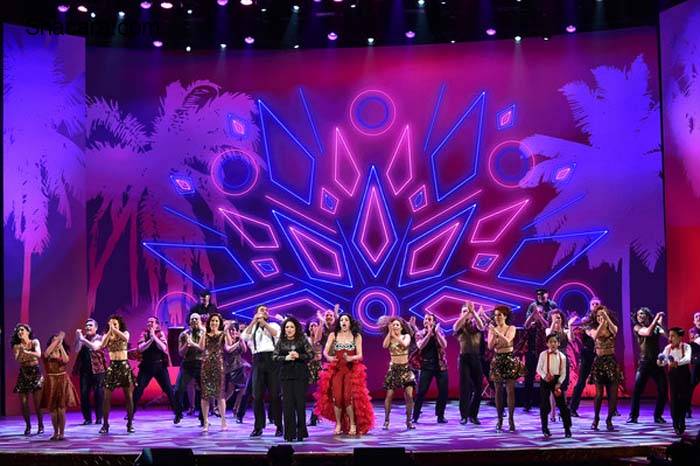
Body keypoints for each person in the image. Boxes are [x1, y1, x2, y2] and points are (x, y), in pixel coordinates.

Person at [314, 313, 374, 435]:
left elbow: (360, 355)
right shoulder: (333, 335)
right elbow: (325, 352)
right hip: (336, 369)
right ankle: (339, 424)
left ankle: (352, 424)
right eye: (341, 320)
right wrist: (329, 358)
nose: (343, 322)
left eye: (346, 320)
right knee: (337, 397)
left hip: (351, 370)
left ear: (350, 322)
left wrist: (351, 358)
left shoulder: (356, 336)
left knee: (348, 397)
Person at [242, 305, 283, 437]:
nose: (264, 312)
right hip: (257, 361)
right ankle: (258, 426)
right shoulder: (252, 328)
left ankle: (279, 425)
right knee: (257, 396)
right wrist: (254, 321)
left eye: (266, 310)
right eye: (261, 310)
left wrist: (264, 323)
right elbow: (244, 337)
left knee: (275, 395)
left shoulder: (274, 325)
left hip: (272, 360)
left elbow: (276, 334)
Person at [273, 316, 313, 442]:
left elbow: (310, 354)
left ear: (296, 328)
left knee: (300, 404)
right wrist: (285, 358)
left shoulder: (302, 339)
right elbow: (274, 357)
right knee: (287, 404)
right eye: (287, 327)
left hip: (300, 375)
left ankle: (301, 432)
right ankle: (289, 433)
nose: (289, 329)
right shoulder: (281, 341)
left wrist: (299, 356)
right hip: (286, 376)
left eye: (291, 327)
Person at [627, 307, 667, 424]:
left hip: (657, 363)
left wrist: (660, 323)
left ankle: (658, 416)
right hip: (644, 363)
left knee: (663, 389)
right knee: (637, 390)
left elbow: (667, 336)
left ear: (648, 315)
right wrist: (656, 319)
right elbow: (648, 332)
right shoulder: (637, 327)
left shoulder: (656, 327)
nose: (639, 316)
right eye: (638, 314)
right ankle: (633, 416)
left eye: (642, 314)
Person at [587, 305, 623, 432]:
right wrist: (602, 323)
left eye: (602, 315)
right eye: (598, 316)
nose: (600, 318)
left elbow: (615, 331)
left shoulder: (613, 327)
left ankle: (609, 420)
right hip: (599, 363)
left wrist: (606, 318)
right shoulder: (591, 329)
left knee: (613, 394)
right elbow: (596, 336)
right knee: (599, 394)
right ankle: (596, 419)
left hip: (611, 362)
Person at [99, 315, 136, 434]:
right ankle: (105, 424)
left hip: (124, 366)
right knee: (106, 397)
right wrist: (110, 331)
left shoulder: (125, 332)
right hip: (113, 366)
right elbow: (102, 345)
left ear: (119, 325)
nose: (113, 326)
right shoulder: (107, 335)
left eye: (115, 324)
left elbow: (125, 339)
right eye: (111, 324)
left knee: (129, 396)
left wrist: (114, 330)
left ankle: (130, 423)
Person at [132, 316, 176, 418]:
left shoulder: (160, 334)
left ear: (157, 324)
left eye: (152, 322)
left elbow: (163, 347)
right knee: (138, 389)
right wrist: (150, 339)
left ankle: (177, 412)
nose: (149, 324)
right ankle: (131, 412)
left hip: (160, 366)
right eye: (148, 322)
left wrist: (154, 337)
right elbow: (141, 348)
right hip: (146, 366)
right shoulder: (144, 334)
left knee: (169, 390)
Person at [488, 305, 522, 432]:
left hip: (509, 358)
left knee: (510, 391)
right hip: (497, 359)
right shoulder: (492, 329)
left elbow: (508, 341)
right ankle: (499, 420)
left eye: (499, 315)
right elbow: (491, 346)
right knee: (498, 391)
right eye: (495, 315)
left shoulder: (511, 328)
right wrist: (494, 335)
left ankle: (511, 420)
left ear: (505, 316)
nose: (497, 318)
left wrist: (497, 334)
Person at [41, 332, 79, 440]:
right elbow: (47, 353)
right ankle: (55, 432)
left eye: (58, 340)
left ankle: (62, 433)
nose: (57, 341)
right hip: (51, 381)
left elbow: (66, 360)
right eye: (54, 340)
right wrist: (58, 339)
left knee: (61, 409)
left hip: (62, 381)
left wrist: (60, 344)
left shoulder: (62, 352)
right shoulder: (47, 353)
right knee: (53, 409)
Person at [521, 288, 554, 412]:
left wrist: (539, 317)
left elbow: (549, 326)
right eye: (538, 295)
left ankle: (544, 402)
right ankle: (527, 403)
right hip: (532, 348)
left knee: (545, 377)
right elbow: (526, 324)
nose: (540, 297)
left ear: (547, 295)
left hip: (545, 348)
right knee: (528, 377)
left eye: (542, 295)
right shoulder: (532, 306)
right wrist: (533, 316)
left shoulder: (552, 305)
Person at [412, 313, 449, 424]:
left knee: (443, 391)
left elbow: (444, 345)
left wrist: (436, 333)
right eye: (425, 319)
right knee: (421, 392)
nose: (427, 321)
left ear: (434, 322)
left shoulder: (440, 331)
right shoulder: (420, 333)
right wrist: (428, 334)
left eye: (429, 319)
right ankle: (415, 416)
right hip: (426, 366)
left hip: (441, 366)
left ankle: (440, 415)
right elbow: (420, 346)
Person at [454, 301, 486, 425]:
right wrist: (466, 314)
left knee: (478, 388)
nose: (467, 314)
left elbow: (482, 326)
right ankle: (464, 416)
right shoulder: (460, 326)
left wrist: (473, 312)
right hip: (464, 359)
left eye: (468, 311)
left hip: (476, 358)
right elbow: (455, 327)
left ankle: (473, 414)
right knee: (465, 387)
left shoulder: (475, 324)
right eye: (464, 311)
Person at [381, 317, 416, 430]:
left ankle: (409, 420)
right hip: (394, 369)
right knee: (389, 395)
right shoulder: (390, 338)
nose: (395, 326)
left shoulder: (406, 336)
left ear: (401, 327)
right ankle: (386, 420)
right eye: (393, 325)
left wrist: (395, 336)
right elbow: (384, 346)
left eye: (397, 325)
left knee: (409, 396)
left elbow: (405, 345)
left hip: (405, 369)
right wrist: (389, 333)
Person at [569, 297, 601, 417]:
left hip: (601, 353)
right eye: (593, 304)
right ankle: (572, 408)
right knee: (582, 381)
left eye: (597, 303)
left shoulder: (603, 319)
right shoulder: (586, 320)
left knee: (607, 380)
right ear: (590, 306)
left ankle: (613, 409)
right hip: (588, 353)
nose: (595, 305)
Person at [197, 312, 229, 431]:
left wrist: (228, 333)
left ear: (219, 323)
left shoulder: (222, 334)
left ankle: (223, 421)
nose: (214, 323)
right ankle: (205, 422)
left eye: (216, 321)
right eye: (212, 321)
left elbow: (228, 348)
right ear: (209, 323)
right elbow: (200, 348)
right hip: (206, 366)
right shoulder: (205, 334)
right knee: (205, 395)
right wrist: (204, 333)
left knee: (220, 394)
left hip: (218, 366)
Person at [11, 323, 45, 436]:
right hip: (24, 373)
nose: (19, 332)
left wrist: (27, 353)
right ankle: (28, 426)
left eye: (22, 330)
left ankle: (41, 425)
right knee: (24, 403)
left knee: (37, 403)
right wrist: (22, 351)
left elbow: (38, 354)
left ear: (28, 331)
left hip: (35, 372)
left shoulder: (35, 342)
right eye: (18, 331)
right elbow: (17, 359)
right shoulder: (17, 346)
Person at [537, 333, 572, 438]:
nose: (553, 344)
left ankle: (567, 428)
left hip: (557, 381)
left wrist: (559, 383)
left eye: (555, 342)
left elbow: (563, 373)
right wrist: (544, 376)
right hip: (546, 380)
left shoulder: (562, 357)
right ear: (547, 343)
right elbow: (539, 369)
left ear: (559, 343)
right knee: (544, 405)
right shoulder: (543, 354)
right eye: (550, 342)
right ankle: (545, 428)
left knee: (563, 406)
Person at [658, 327, 692, 435]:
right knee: (673, 399)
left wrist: (677, 362)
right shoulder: (668, 348)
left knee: (683, 399)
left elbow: (687, 359)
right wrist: (660, 362)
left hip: (684, 374)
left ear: (679, 337)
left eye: (673, 336)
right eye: (669, 336)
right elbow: (663, 361)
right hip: (673, 375)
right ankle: (675, 423)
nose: (670, 338)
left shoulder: (686, 346)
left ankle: (682, 420)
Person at [74, 318, 107, 426]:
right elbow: (76, 350)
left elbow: (94, 347)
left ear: (96, 328)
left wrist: (82, 339)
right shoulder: (83, 339)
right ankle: (87, 418)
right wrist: (78, 338)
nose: (87, 327)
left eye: (90, 325)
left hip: (98, 371)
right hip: (85, 371)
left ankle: (99, 418)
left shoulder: (100, 338)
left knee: (99, 394)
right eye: (86, 325)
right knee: (84, 395)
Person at [174, 313, 204, 425]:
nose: (195, 320)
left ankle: (202, 417)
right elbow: (181, 353)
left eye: (197, 319)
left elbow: (204, 349)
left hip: (201, 364)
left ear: (200, 321)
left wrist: (194, 343)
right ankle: (178, 413)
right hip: (187, 364)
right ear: (189, 322)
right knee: (177, 390)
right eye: (192, 319)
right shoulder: (183, 335)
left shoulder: (204, 333)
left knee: (204, 392)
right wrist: (187, 343)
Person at [545, 309, 570, 423]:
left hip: (564, 361)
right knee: (552, 389)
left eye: (558, 318)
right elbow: (549, 335)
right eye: (554, 318)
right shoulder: (548, 330)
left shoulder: (565, 331)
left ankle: (563, 411)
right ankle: (553, 413)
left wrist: (570, 327)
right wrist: (553, 323)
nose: (557, 320)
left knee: (563, 388)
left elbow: (572, 339)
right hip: (552, 361)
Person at [223, 319, 249, 422]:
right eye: (231, 330)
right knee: (231, 390)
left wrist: (241, 340)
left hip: (239, 366)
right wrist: (237, 343)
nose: (234, 332)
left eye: (235, 330)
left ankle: (236, 408)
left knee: (243, 389)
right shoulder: (226, 338)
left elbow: (244, 350)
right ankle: (219, 407)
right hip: (230, 368)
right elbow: (228, 349)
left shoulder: (238, 339)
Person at [306, 319, 323, 426]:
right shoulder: (305, 338)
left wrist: (321, 324)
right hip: (307, 366)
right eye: (311, 326)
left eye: (315, 325)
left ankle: (314, 416)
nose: (313, 328)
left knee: (321, 392)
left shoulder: (320, 340)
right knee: (302, 390)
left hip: (317, 367)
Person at [687, 311, 700, 418]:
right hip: (697, 362)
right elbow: (696, 341)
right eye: (696, 317)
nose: (699, 318)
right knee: (691, 385)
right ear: (694, 321)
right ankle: (687, 409)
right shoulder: (692, 331)